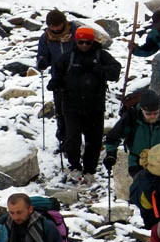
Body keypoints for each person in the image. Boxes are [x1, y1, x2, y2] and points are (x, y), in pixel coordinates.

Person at [48, 26, 121, 181]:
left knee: (93, 140)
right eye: (81, 42)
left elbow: (115, 73)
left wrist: (97, 69)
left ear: (92, 41)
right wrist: (55, 83)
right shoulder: (68, 58)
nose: (84, 46)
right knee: (72, 138)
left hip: (95, 106)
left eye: (87, 42)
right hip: (71, 106)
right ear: (76, 41)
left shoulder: (102, 56)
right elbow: (57, 73)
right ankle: (74, 166)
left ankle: (89, 170)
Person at [103, 89, 160, 193]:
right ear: (141, 109)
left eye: (155, 113)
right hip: (137, 162)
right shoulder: (131, 116)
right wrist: (111, 155)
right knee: (145, 190)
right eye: (148, 114)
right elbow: (113, 137)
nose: (152, 117)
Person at [36, 10, 79, 144]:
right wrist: (41, 61)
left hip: (78, 77)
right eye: (52, 26)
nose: (55, 29)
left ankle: (77, 139)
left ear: (64, 22)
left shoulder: (75, 32)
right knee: (61, 111)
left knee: (78, 111)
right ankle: (64, 140)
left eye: (58, 25)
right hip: (58, 79)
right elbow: (42, 55)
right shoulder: (46, 38)